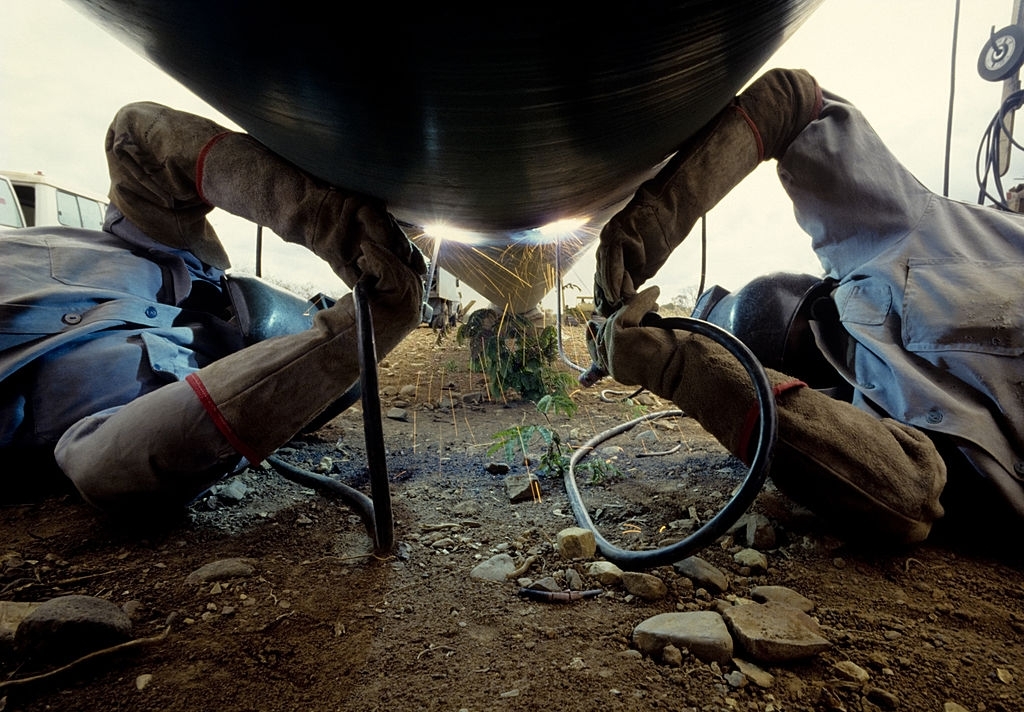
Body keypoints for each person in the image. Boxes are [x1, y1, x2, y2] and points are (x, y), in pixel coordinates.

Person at [584, 68, 1024, 545]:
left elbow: (792, 104)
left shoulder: (890, 237)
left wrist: (651, 222)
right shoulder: (880, 425)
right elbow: (907, 493)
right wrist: (680, 368)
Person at [0, 102, 425, 520]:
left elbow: (141, 139)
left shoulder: (165, 387)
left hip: (182, 285)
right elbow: (139, 131)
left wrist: (336, 238)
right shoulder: (163, 248)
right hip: (224, 362)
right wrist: (339, 244)